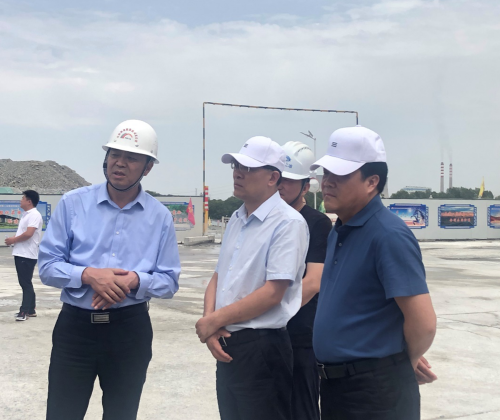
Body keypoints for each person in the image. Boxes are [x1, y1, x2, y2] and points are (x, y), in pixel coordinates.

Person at [38, 120, 181, 420]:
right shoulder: (73, 204)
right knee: (62, 413)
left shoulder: (159, 217)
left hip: (129, 332)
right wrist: (89, 275)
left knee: (121, 414)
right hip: (75, 330)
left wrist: (134, 281)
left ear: (148, 168)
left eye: (132, 157)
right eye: (115, 154)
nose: (120, 163)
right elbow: (48, 266)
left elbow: (169, 281)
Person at [311, 126, 437, 420]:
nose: (327, 182)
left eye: (340, 174)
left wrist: (399, 362)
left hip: (375, 392)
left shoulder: (387, 235)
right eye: (326, 173)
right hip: (338, 386)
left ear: (372, 182)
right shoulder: (340, 229)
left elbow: (424, 323)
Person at [195, 136, 309, 420]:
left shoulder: (288, 223)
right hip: (228, 341)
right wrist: (211, 321)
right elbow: (219, 275)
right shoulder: (237, 218)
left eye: (247, 168)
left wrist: (214, 321)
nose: (238, 173)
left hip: (262, 347)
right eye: (236, 166)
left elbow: (273, 293)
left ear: (273, 177)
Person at [278, 141, 332, 420]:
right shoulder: (268, 219)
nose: (281, 185)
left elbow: (313, 282)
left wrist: (271, 313)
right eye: (277, 177)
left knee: (302, 409)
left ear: (305, 186)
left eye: (289, 180)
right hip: (267, 334)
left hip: (300, 334)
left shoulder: (317, 223)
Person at [5, 190, 43, 321]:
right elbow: (24, 233)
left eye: (23, 198)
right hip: (21, 252)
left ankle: (24, 311)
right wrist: (13, 239)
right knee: (26, 282)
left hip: (26, 254)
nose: (20, 200)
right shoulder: (26, 215)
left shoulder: (34, 215)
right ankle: (31, 310)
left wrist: (13, 240)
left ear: (29, 201)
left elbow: (28, 234)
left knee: (25, 283)